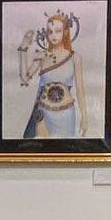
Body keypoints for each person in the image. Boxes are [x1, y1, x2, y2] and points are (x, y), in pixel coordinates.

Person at [18, 10, 85, 139]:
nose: (53, 35)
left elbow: (80, 90)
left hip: (67, 115)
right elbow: (24, 79)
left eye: (58, 31)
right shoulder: (42, 56)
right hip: (43, 115)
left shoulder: (75, 58)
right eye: (50, 31)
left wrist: (85, 116)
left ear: (65, 32)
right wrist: (23, 49)